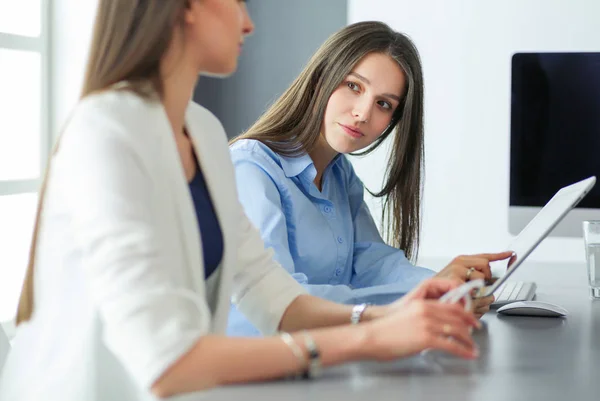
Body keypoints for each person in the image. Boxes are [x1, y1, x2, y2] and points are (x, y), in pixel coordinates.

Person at [0, 3, 490, 400]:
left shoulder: (205, 133)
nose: (249, 22)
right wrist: (367, 339)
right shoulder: (105, 133)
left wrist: (395, 313)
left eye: (384, 103)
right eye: (237, 1)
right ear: (186, 8)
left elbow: (270, 295)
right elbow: (166, 362)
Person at [227, 21, 510, 337]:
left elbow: (373, 263)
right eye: (353, 86)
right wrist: (414, 301)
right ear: (321, 79)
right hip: (259, 367)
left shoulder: (340, 175)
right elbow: (284, 300)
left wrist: (444, 288)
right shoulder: (251, 168)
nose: (363, 113)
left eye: (384, 104)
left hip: (325, 355)